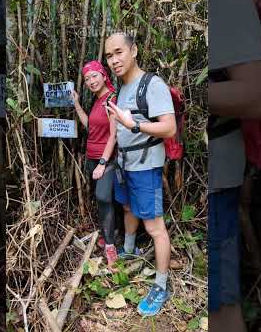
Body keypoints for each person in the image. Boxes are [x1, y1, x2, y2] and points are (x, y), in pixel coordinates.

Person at [208, 0, 261, 331]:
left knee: (219, 310)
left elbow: (258, 95)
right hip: (200, 177)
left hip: (216, 180)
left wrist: (189, 91)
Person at [104, 32, 177, 316]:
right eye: (109, 56)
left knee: (155, 227)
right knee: (127, 207)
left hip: (146, 165)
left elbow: (169, 128)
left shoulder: (152, 84)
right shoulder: (119, 89)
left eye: (119, 52)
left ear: (134, 50)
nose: (114, 60)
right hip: (125, 163)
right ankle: (130, 249)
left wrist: (134, 125)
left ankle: (161, 284)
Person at [71, 60, 119, 267]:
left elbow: (113, 136)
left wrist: (102, 163)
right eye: (87, 78)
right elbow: (90, 126)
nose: (91, 81)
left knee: (103, 197)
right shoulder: (97, 100)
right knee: (104, 201)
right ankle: (112, 235)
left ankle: (110, 247)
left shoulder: (112, 98)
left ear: (103, 74)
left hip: (106, 160)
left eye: (94, 76)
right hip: (92, 158)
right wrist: (77, 104)